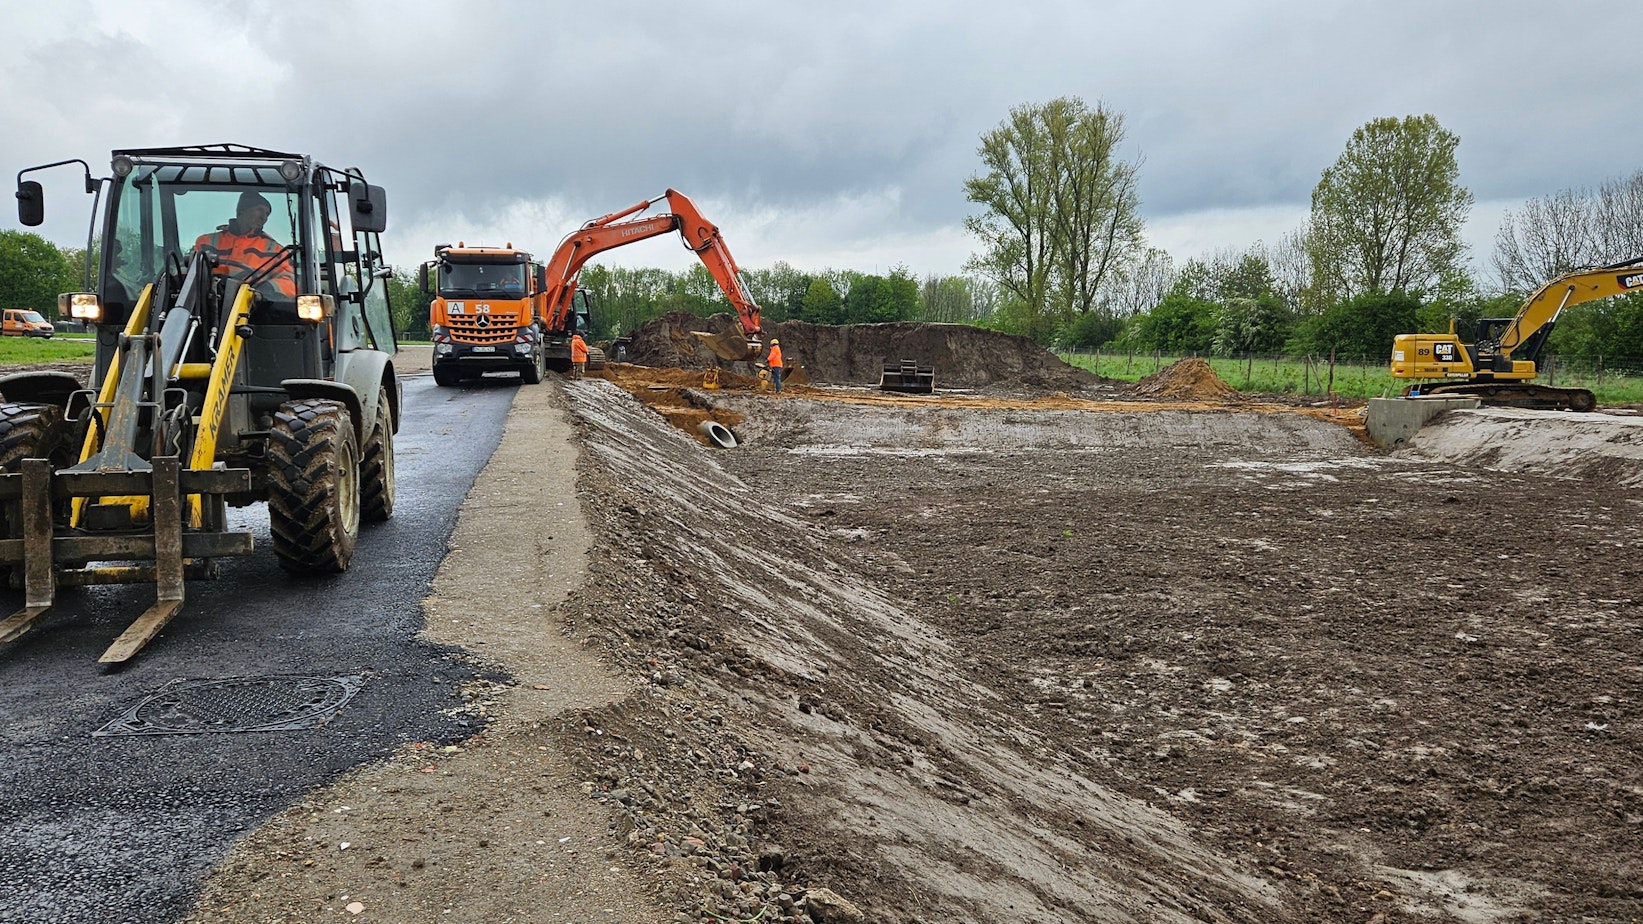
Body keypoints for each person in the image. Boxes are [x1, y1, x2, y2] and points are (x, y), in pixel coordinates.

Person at [193, 191, 297, 297]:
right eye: (259, 210)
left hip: (255, 309)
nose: (264, 217)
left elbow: (291, 282)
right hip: (206, 305)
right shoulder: (205, 242)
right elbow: (188, 273)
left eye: (267, 214)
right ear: (242, 211)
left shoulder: (276, 251)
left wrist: (266, 289)